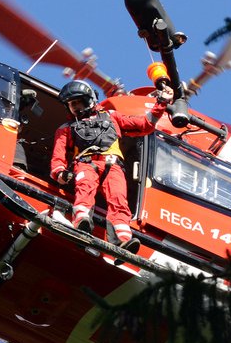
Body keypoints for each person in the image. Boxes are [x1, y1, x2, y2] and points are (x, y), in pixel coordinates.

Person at [48, 79, 170, 250]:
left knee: (119, 199)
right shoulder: (66, 128)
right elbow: (58, 157)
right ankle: (82, 222)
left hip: (113, 166)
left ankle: (122, 239)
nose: (74, 107)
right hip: (86, 164)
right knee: (85, 188)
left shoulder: (112, 116)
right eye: (70, 104)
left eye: (77, 102)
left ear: (89, 99)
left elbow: (144, 124)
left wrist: (161, 103)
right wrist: (60, 173)